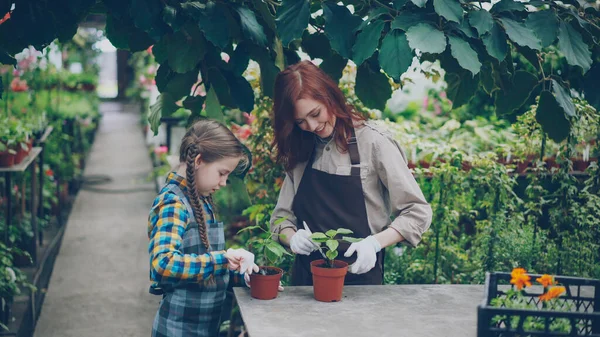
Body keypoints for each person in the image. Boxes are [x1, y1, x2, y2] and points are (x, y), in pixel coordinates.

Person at [270, 61, 433, 286]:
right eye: (300, 121)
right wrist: (292, 237)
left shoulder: (374, 143)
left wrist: (374, 244)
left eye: (315, 113)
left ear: (329, 97)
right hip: (306, 284)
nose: (312, 125)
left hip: (362, 278)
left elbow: (417, 211)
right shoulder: (301, 148)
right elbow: (281, 219)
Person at [148, 119, 260, 337]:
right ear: (198, 160)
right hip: (177, 330)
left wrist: (242, 273)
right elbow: (163, 263)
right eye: (222, 173)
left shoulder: (202, 199)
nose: (224, 183)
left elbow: (205, 264)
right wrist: (222, 259)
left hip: (205, 328)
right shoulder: (174, 203)